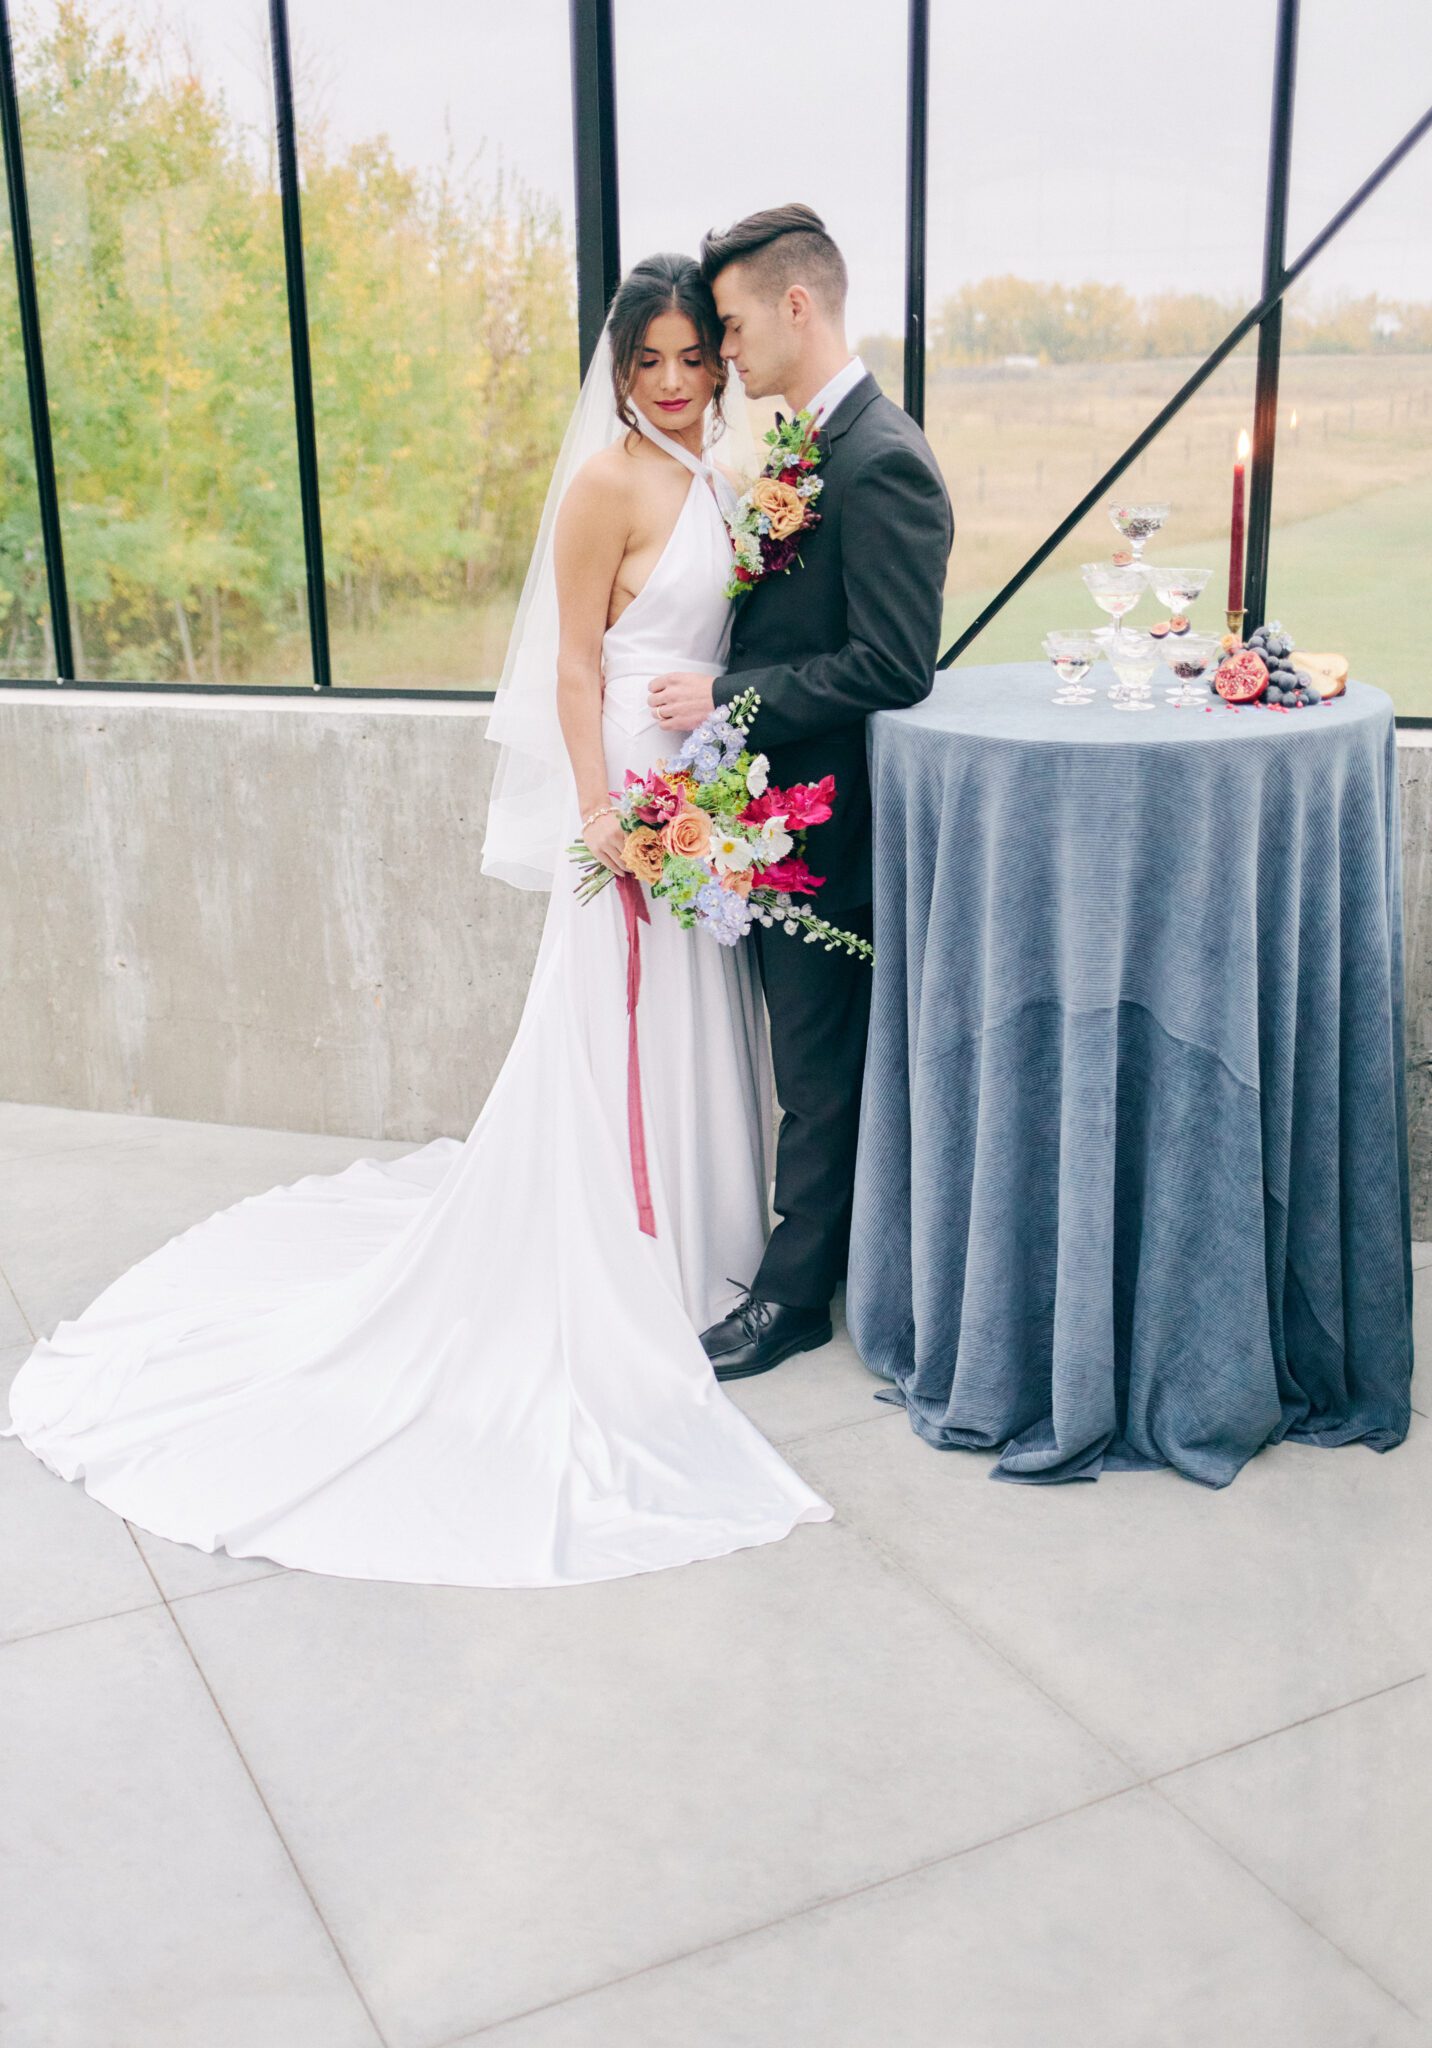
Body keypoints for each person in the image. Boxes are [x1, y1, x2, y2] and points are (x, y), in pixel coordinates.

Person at [1, 253, 832, 1588]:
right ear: (618, 370)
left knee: (696, 1009)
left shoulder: (729, 472)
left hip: (704, 777)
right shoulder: (607, 480)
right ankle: (620, 1259)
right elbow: (570, 660)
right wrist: (601, 810)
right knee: (613, 1020)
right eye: (649, 363)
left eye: (693, 359)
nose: (674, 384)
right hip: (627, 778)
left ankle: (704, 1244)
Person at [646, 205, 954, 1382]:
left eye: (726, 328)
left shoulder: (880, 459)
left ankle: (794, 1298)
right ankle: (806, 1266)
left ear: (795, 305)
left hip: (833, 827)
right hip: (778, 817)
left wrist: (728, 697)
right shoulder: (811, 443)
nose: (720, 355)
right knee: (804, 1061)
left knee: (820, 1073)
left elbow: (891, 664)